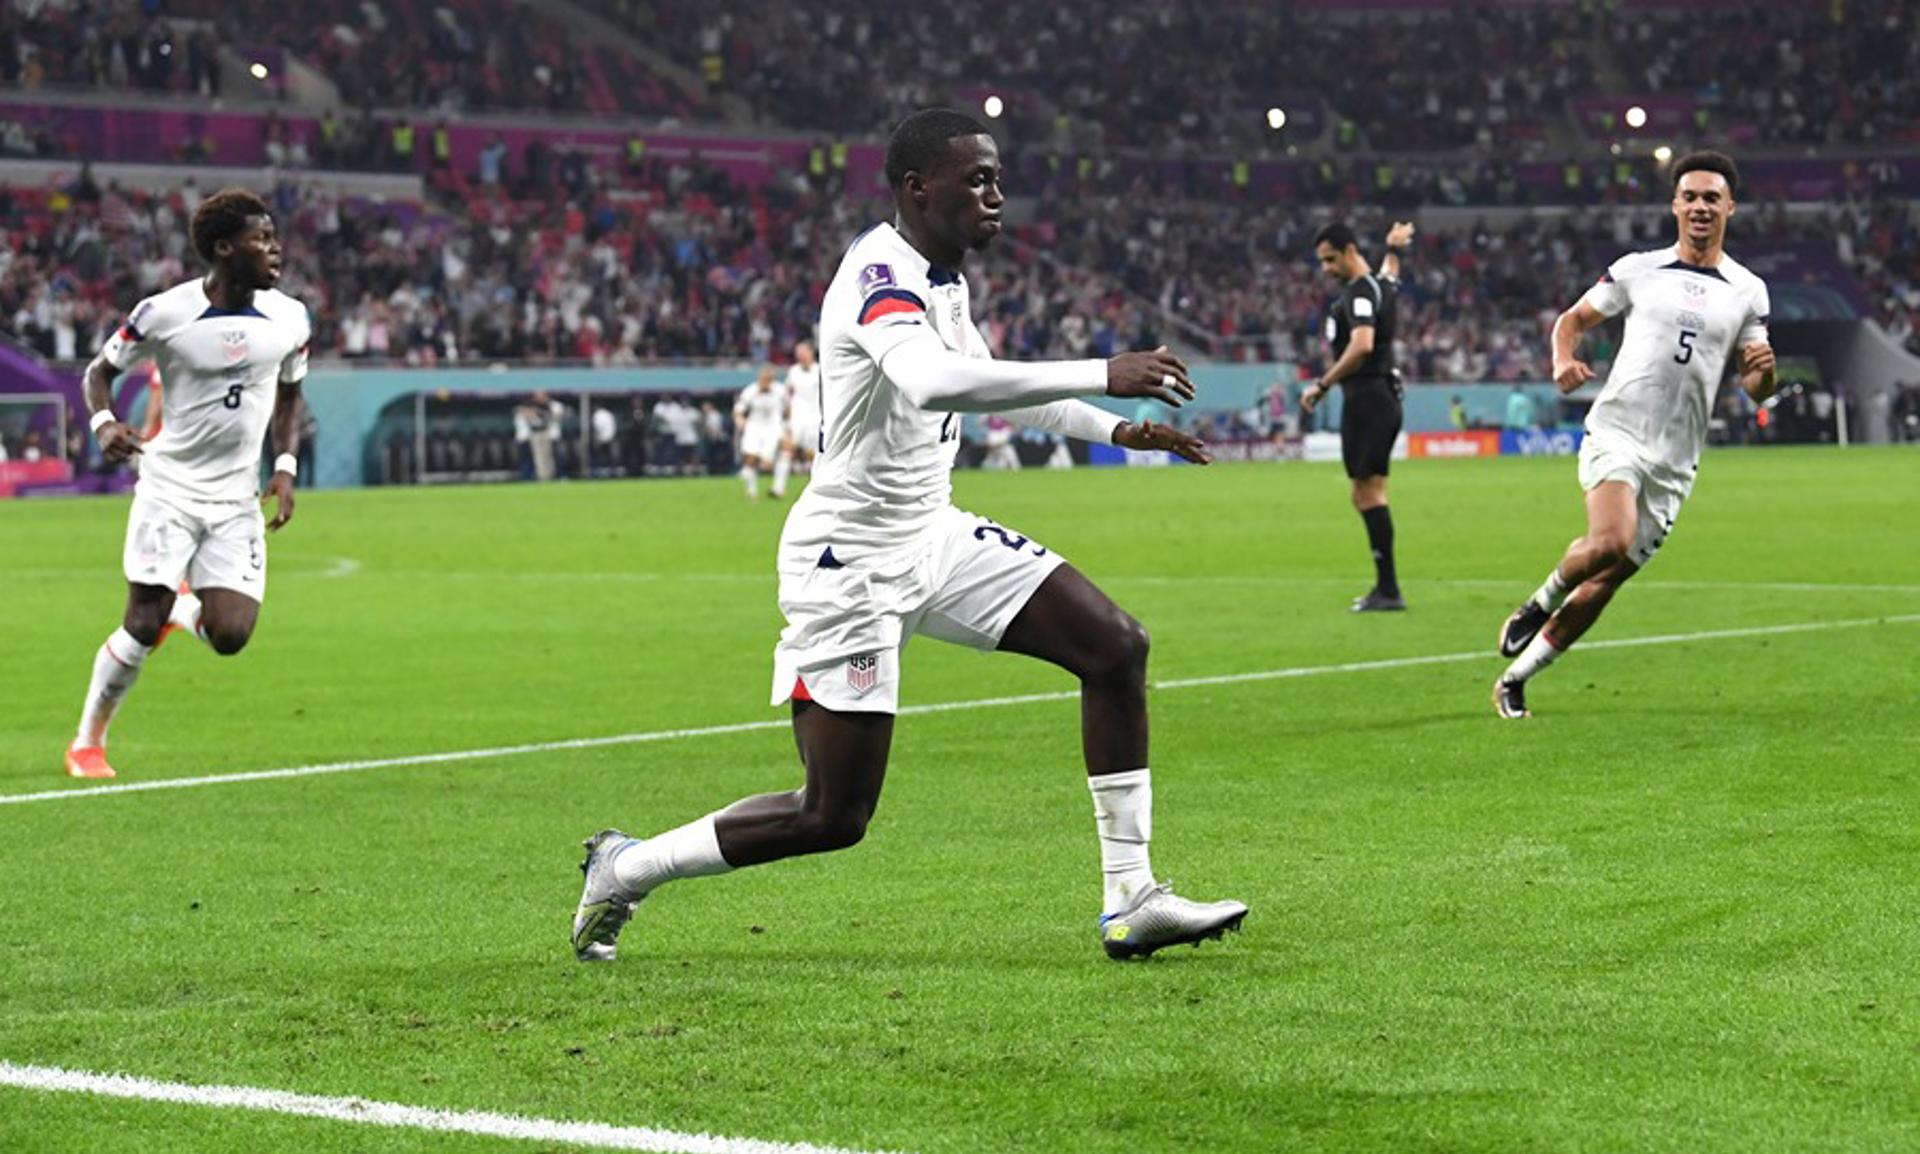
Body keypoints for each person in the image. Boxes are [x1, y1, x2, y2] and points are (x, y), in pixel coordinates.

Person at [572, 109, 1246, 964]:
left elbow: (997, 387)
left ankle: (1131, 897)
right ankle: (626, 866)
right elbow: (931, 382)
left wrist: (1119, 429)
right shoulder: (878, 273)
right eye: (977, 181)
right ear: (916, 188)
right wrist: (1101, 368)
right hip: (848, 561)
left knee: (1114, 647)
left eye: (998, 179)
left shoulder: (945, 280)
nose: (997, 196)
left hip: (935, 535)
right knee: (832, 817)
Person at [1492, 151, 1775, 718]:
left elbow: (1757, 389)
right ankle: (1538, 602)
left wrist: (1765, 373)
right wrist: (1562, 359)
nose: (1700, 207)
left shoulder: (1748, 290)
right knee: (1609, 541)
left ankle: (1516, 678)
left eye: (1711, 198)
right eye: (1690, 196)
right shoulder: (1638, 269)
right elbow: (1570, 321)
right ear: (1674, 204)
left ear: (1730, 208)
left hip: (1677, 459)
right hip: (1619, 432)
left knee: (1607, 581)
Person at [66, 187, 311, 779]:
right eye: (262, 239)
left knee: (230, 635)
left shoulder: (291, 317)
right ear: (224, 248)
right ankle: (86, 745)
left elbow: (289, 395)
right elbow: (99, 372)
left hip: (235, 499)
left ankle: (183, 612)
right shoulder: (163, 313)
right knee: (140, 622)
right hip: (169, 488)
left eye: (275, 237)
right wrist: (102, 423)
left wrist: (284, 467)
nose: (275, 249)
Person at [1300, 220, 1412, 612]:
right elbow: (1391, 274)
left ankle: (1389, 588)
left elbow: (1362, 343)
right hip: (1382, 397)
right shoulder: (1382, 286)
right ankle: (1387, 587)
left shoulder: (1358, 293)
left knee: (1367, 494)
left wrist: (1323, 384)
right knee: (1368, 492)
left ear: (1350, 251)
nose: (1326, 268)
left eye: (1330, 259)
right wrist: (1394, 248)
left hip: (1367, 397)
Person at [771, 340, 820, 499]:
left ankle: (818, 489)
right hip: (797, 419)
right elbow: (787, 396)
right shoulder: (793, 372)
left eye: (802, 352)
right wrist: (786, 420)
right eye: (797, 353)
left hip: (815, 419)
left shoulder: (820, 370)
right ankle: (778, 489)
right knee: (787, 450)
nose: (799, 355)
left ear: (810, 352)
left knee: (814, 456)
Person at [733, 365, 786, 500]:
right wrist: (740, 421)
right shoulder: (750, 391)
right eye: (764, 378)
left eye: (769, 378)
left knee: (783, 452)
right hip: (754, 426)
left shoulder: (780, 390)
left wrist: (787, 427)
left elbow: (788, 409)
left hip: (774, 427)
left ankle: (778, 489)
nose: (766, 381)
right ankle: (752, 492)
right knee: (750, 459)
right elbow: (738, 410)